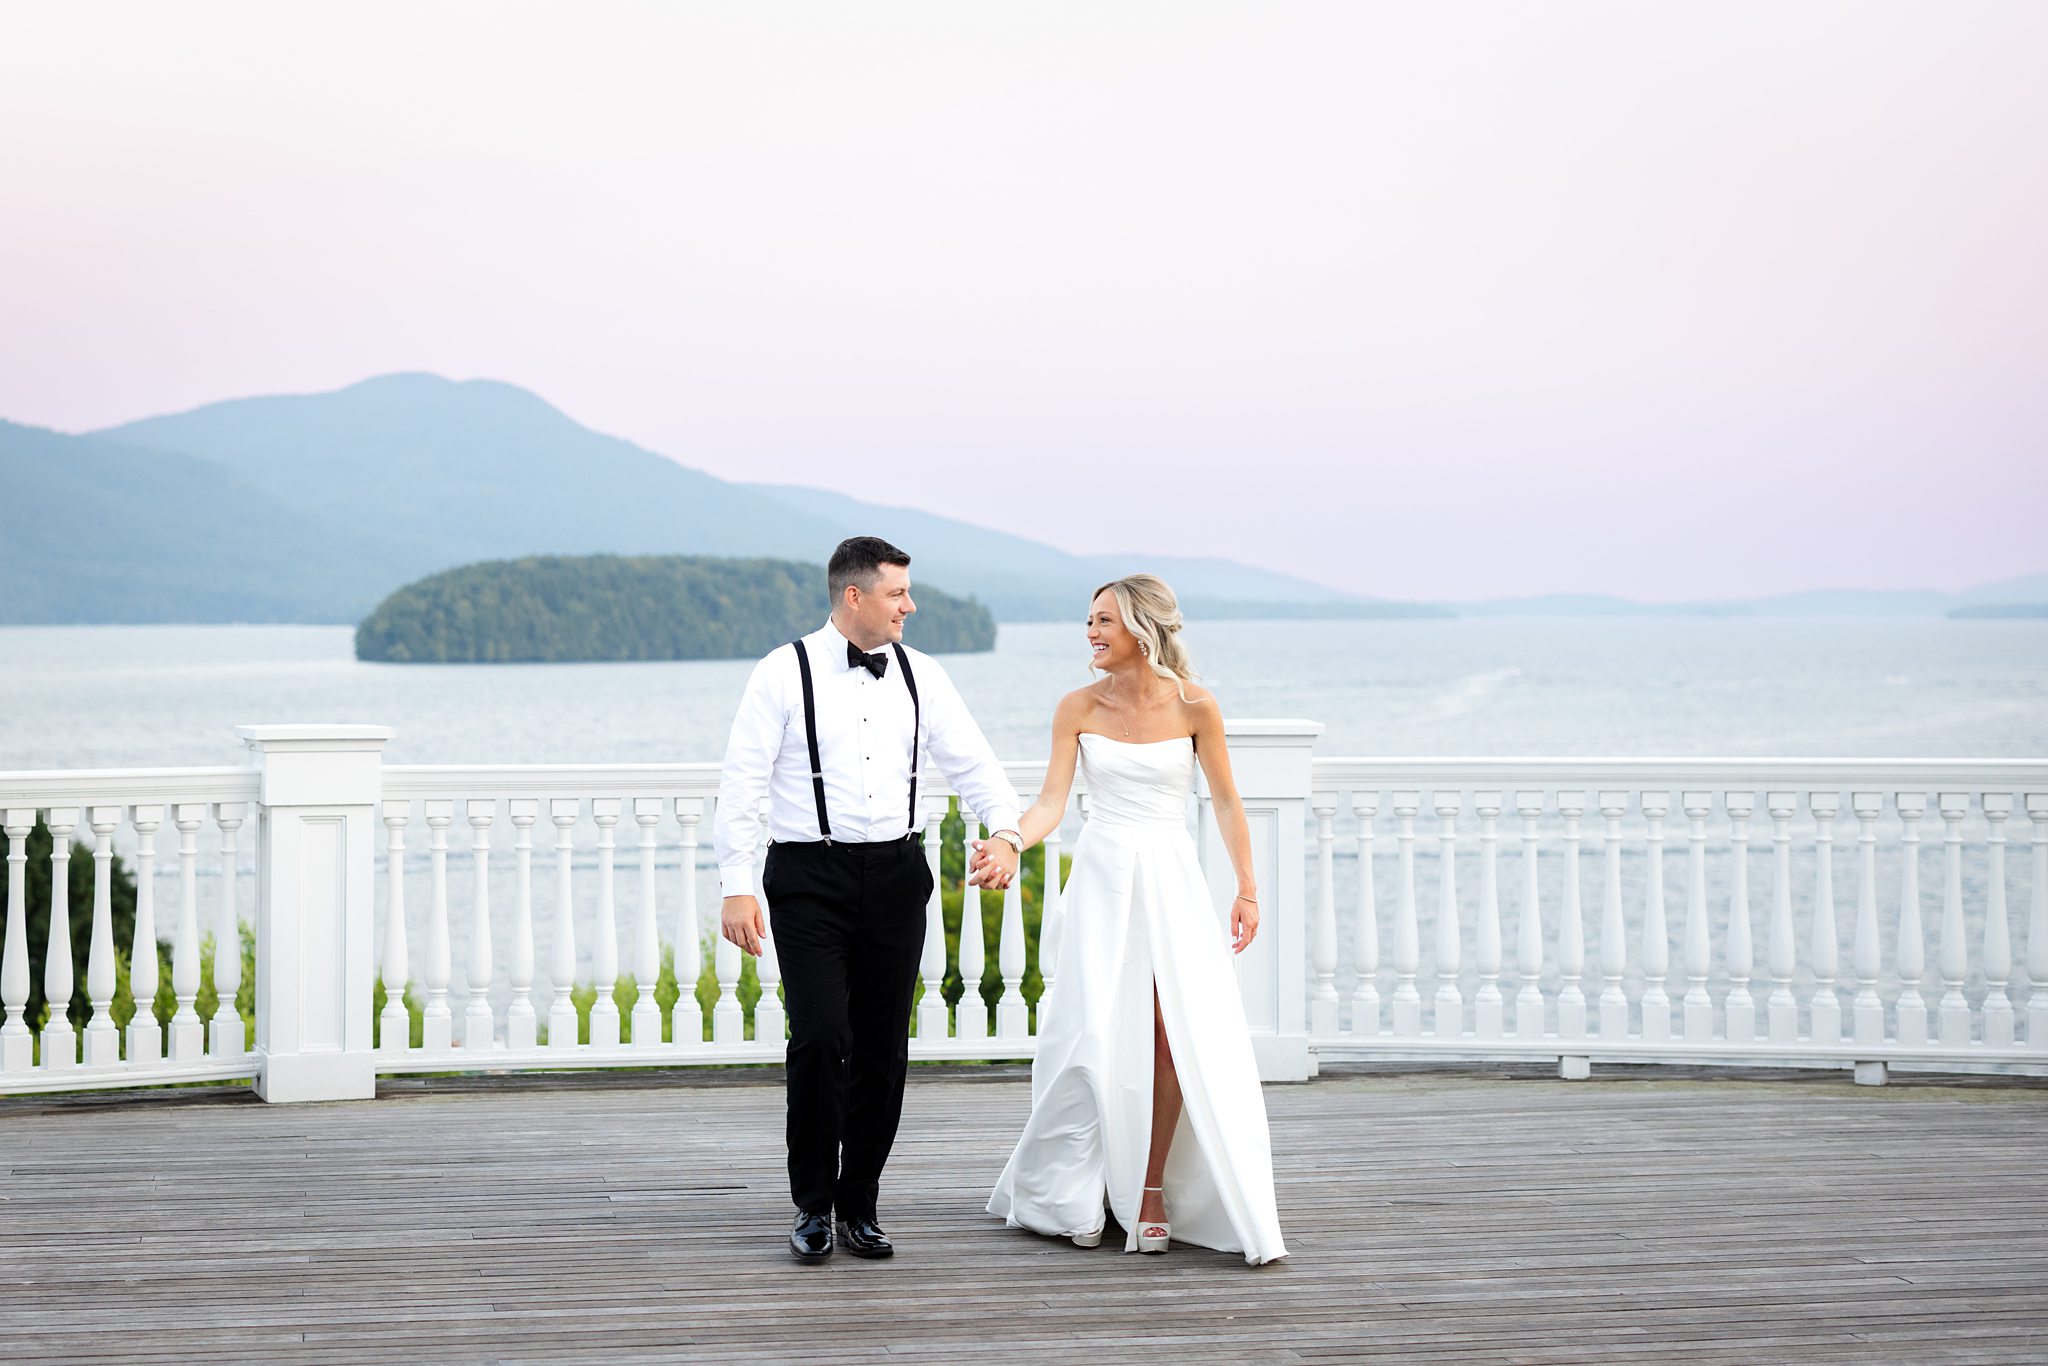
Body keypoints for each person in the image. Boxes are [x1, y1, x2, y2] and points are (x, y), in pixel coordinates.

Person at [715, 536, 1023, 1263]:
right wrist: (736, 884)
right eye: (897, 594)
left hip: (894, 875)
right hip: (806, 878)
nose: (909, 606)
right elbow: (743, 783)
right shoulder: (781, 672)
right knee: (822, 1037)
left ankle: (861, 1204)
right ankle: (812, 1204)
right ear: (855, 597)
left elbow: (974, 762)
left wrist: (1005, 831)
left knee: (883, 1047)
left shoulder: (924, 675)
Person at [978, 574, 1287, 1264]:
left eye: (1104, 622)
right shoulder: (1076, 707)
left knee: (1170, 1035)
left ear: (1143, 629)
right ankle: (1078, 1192)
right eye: (1088, 621)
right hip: (1101, 879)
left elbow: (1229, 804)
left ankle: (1150, 1190)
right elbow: (1052, 803)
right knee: (1092, 1032)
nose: (1090, 633)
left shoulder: (1196, 707)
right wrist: (1008, 841)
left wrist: (1247, 889)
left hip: (1169, 882)